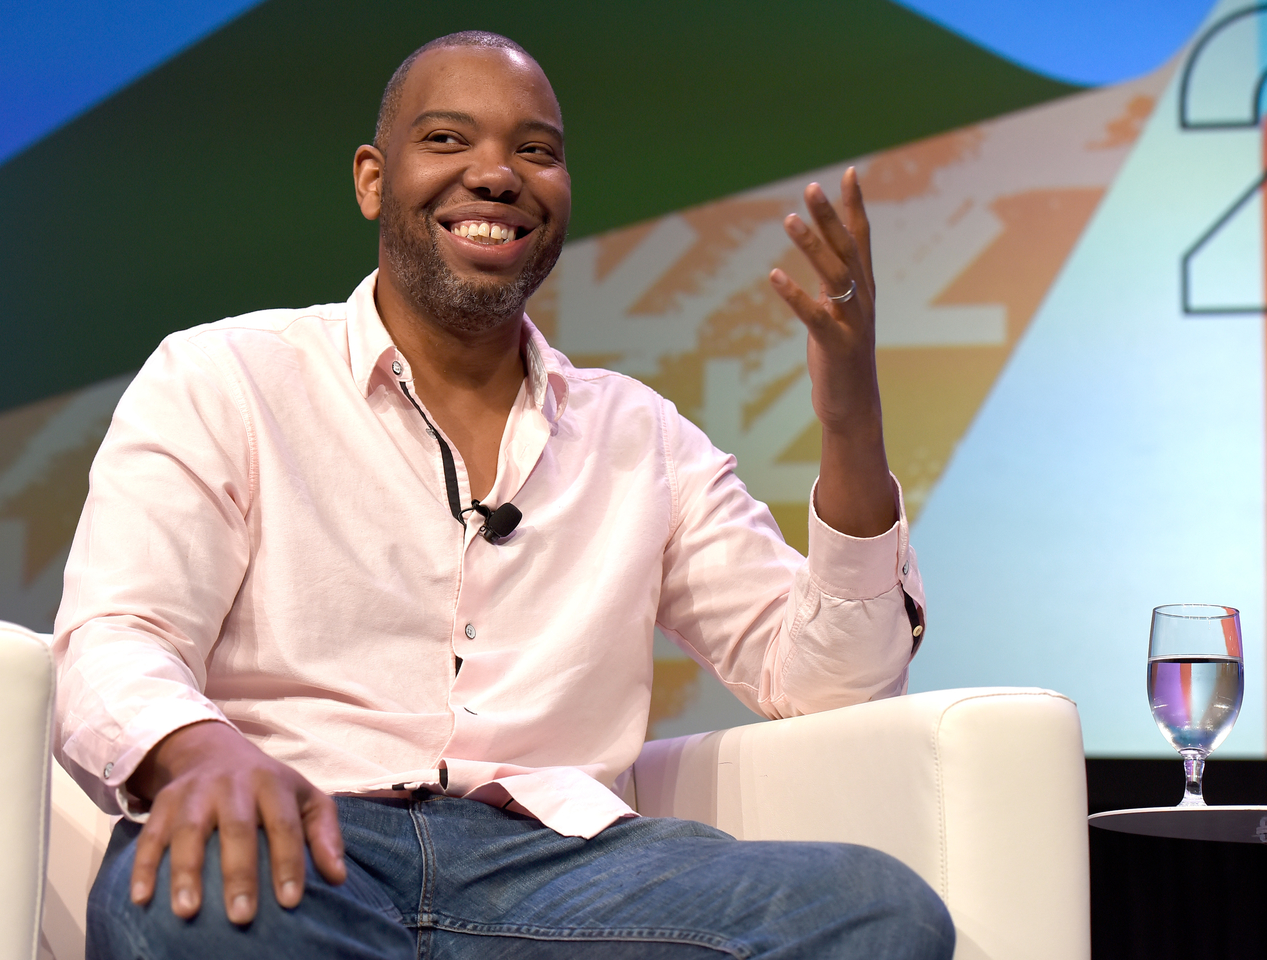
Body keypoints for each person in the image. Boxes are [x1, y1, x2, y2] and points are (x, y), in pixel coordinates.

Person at [55, 29, 951, 960]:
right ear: (371, 178)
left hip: (566, 875)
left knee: (875, 912)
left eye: (537, 151)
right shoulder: (225, 377)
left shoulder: (638, 436)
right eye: (447, 140)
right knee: (176, 905)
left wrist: (851, 418)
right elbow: (118, 636)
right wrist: (201, 752)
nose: (496, 175)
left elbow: (828, 682)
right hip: (307, 844)